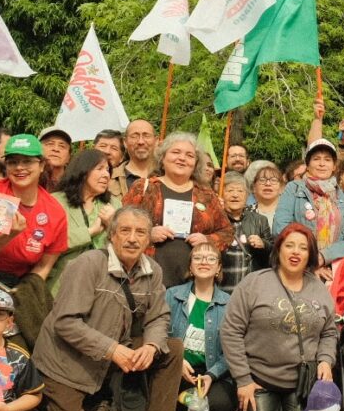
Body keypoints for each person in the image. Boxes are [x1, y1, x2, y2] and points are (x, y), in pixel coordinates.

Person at [23, 206, 187, 411]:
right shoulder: (88, 264)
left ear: (148, 239)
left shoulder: (152, 270)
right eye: (125, 230)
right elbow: (66, 322)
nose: (133, 238)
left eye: (141, 232)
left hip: (108, 354)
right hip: (64, 365)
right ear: (112, 235)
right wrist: (112, 350)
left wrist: (151, 346)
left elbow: (159, 316)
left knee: (171, 348)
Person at [218, 223, 338, 411]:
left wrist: (325, 359)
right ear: (278, 250)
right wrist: (243, 380)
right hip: (259, 378)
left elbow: (329, 332)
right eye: (289, 245)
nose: (295, 252)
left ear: (310, 254)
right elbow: (231, 331)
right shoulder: (254, 283)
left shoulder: (319, 289)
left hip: (300, 382)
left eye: (303, 248)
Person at [0, 133, 68, 342]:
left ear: (42, 165)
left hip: (14, 283)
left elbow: (44, 267)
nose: (19, 168)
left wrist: (22, 293)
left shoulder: (54, 211)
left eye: (27, 161)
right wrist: (7, 236)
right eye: (13, 162)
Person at [122, 131, 233, 289]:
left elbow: (227, 232)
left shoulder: (206, 194)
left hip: (194, 283)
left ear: (195, 163)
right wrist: (147, 234)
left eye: (189, 155)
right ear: (163, 158)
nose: (182, 158)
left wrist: (207, 240)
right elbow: (120, 227)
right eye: (175, 152)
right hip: (146, 279)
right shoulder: (144, 188)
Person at [167, 242, 237, 411]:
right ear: (190, 266)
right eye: (197, 258)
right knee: (169, 392)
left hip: (210, 372)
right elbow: (160, 334)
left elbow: (232, 350)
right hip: (178, 368)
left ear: (219, 267)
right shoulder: (172, 296)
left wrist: (212, 375)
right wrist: (178, 360)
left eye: (211, 258)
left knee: (220, 402)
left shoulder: (229, 303)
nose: (204, 262)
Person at [273, 138, 344, 280]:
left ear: (334, 166)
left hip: (332, 271)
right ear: (307, 165)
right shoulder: (294, 189)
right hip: (295, 268)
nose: (321, 164)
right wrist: (310, 261)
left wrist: (323, 256)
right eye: (316, 159)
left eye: (327, 159)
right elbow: (280, 228)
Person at [49, 148, 115, 292]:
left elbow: (124, 248)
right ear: (83, 171)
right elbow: (49, 242)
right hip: (61, 285)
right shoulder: (56, 201)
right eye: (100, 169)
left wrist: (113, 226)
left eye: (108, 170)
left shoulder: (114, 205)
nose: (106, 175)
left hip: (101, 286)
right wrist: (90, 232)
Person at [218, 171, 271, 290]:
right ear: (221, 194)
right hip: (219, 290)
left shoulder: (260, 221)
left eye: (240, 191)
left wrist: (264, 244)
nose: (235, 195)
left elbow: (273, 254)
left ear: (247, 196)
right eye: (230, 190)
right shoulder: (215, 219)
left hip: (250, 290)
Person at [111, 119, 157, 197]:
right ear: (125, 142)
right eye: (134, 136)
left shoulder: (168, 176)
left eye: (146, 136)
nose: (141, 142)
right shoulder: (110, 178)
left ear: (156, 141)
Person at [246, 159, 283, 224]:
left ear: (281, 188)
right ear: (254, 187)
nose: (268, 184)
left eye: (273, 180)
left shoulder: (289, 212)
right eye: (262, 180)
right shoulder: (245, 212)